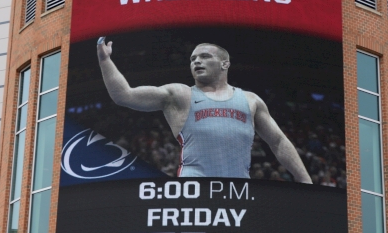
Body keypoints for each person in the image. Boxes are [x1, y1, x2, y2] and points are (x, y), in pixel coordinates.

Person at [96, 37, 312, 183]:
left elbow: (279, 142)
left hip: (239, 193)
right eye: (192, 59)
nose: (196, 61)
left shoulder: (250, 100)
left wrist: (305, 182)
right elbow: (124, 95)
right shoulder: (180, 94)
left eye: (204, 57)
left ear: (225, 64)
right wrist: (105, 60)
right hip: (193, 191)